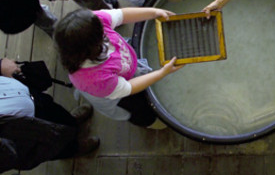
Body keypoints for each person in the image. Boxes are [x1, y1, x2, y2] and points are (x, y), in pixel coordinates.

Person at [53, 8, 185, 128]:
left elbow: (121, 15)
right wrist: (162, 73)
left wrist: (154, 12)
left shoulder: (89, 24)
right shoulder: (94, 78)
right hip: (119, 97)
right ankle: (154, 124)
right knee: (143, 114)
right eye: (102, 35)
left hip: (124, 67)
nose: (105, 30)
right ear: (93, 46)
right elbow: (128, 87)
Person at [0, 58, 99, 174]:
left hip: (27, 96)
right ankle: (73, 149)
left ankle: (71, 122)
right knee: (50, 145)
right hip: (23, 134)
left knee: (58, 114)